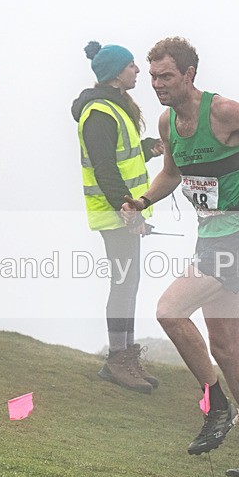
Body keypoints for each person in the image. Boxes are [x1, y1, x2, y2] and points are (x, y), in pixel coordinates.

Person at [122, 37, 239, 477]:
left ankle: (217, 405)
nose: (157, 85)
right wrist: (143, 200)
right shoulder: (168, 124)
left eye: (166, 76)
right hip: (209, 239)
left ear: (189, 74)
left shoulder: (223, 112)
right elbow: (171, 173)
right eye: (152, 77)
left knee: (169, 310)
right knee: (225, 347)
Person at [71, 40, 163, 395]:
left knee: (130, 282)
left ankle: (125, 355)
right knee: (124, 284)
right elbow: (106, 170)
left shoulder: (113, 107)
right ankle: (117, 359)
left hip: (122, 212)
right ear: (114, 73)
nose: (138, 70)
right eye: (132, 66)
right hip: (115, 215)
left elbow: (120, 158)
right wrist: (129, 213)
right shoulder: (99, 113)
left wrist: (147, 150)